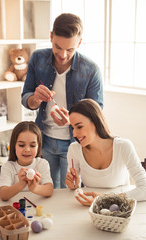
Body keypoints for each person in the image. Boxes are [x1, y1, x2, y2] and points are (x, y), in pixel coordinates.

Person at [21, 13, 103, 189]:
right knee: (45, 189)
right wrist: (35, 98)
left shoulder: (91, 70)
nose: (63, 55)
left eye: (70, 49)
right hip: (43, 139)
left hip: (74, 143)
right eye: (57, 47)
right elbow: (25, 98)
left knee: (70, 193)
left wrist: (72, 121)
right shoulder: (37, 58)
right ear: (51, 36)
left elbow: (97, 113)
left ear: (79, 43)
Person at [65, 99, 146, 205]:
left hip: (119, 209)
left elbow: (144, 189)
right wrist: (73, 185)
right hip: (88, 207)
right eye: (72, 128)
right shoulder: (74, 149)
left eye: (79, 127)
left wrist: (106, 199)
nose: (74, 134)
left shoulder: (123, 146)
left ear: (95, 122)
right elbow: (75, 186)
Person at [0, 121, 53, 201]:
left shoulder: (42, 164)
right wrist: (21, 184)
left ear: (38, 146)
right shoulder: (8, 167)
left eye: (32, 145)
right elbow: (3, 194)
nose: (27, 150)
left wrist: (35, 188)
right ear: (14, 146)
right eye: (21, 145)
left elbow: (49, 190)